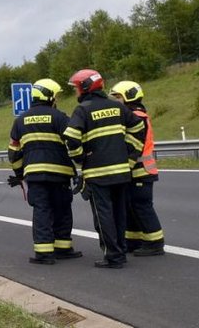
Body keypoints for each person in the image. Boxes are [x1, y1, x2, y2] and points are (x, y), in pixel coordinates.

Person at [63, 69, 145, 269]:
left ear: (85, 88)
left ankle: (113, 256)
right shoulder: (117, 106)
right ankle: (121, 251)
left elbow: (71, 138)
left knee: (103, 215)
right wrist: (130, 155)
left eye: (76, 88)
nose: (75, 92)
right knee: (119, 213)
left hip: (98, 174)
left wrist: (80, 159)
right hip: (121, 171)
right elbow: (138, 128)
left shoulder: (82, 110)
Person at [7, 79, 82, 264]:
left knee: (42, 210)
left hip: (35, 175)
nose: (56, 99)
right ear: (49, 97)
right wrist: (79, 166)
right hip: (60, 174)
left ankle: (43, 252)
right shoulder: (60, 117)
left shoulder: (19, 121)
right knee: (63, 209)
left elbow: (14, 153)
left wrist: (19, 176)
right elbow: (73, 141)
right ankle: (63, 248)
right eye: (55, 96)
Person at [109, 81, 165, 257]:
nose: (115, 101)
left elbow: (134, 146)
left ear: (128, 97)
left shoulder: (137, 116)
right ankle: (133, 240)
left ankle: (155, 242)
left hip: (141, 170)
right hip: (134, 170)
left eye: (118, 97)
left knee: (142, 206)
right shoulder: (132, 114)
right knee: (130, 206)